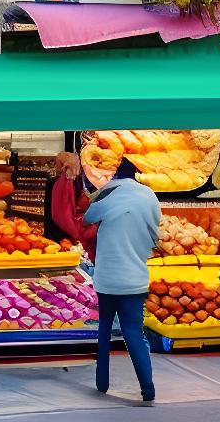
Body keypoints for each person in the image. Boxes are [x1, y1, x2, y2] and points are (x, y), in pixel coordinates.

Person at [84, 159, 161, 403]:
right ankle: (147, 389)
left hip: (107, 279)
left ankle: (102, 384)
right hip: (135, 279)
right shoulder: (149, 197)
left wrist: (102, 195)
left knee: (104, 329)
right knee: (133, 333)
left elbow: (88, 217)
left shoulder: (110, 195)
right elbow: (155, 230)